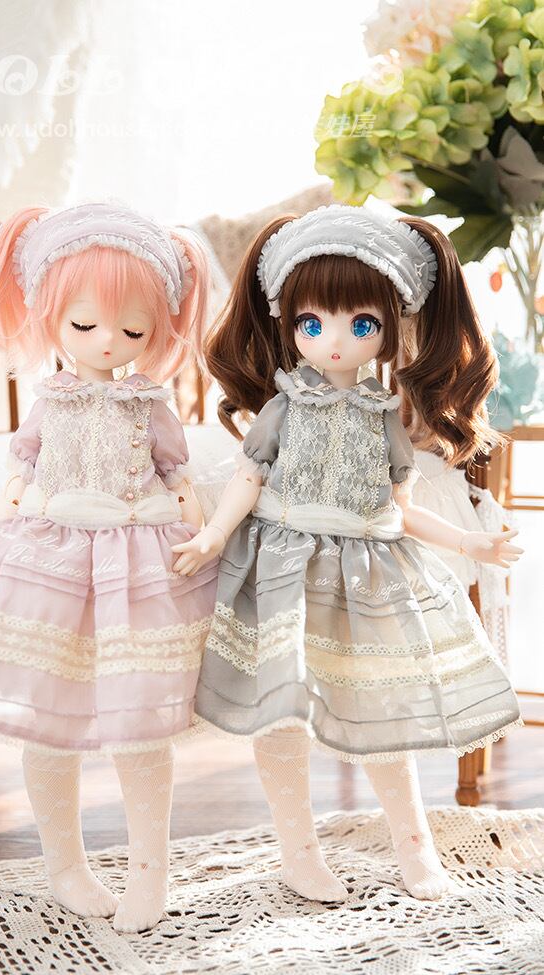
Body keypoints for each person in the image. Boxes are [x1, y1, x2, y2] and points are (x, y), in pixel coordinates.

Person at [172, 203, 524, 904]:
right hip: (281, 568)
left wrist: (470, 541)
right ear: (288, 323)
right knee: (280, 712)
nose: (334, 341)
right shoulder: (284, 405)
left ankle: (414, 845)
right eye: (313, 324)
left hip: (367, 570)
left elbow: (402, 507)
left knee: (380, 708)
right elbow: (249, 477)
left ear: (391, 328)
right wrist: (213, 534)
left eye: (361, 325)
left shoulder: (382, 415)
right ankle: (298, 851)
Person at [0, 201, 218, 932]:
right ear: (52, 318)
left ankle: (149, 872)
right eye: (84, 324)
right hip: (51, 561)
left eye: (132, 330)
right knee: (45, 723)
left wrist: (203, 535)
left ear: (157, 329)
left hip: (136, 561)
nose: (108, 341)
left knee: (141, 725)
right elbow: (17, 484)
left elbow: (179, 476)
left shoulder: (150, 403)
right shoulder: (50, 402)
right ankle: (65, 865)